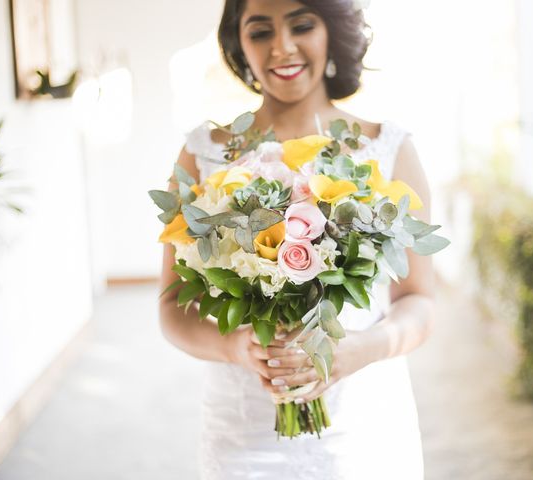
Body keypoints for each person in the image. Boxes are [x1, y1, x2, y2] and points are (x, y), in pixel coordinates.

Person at [159, 0, 435, 478]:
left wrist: (356, 350)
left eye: (301, 24)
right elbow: (171, 309)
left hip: (365, 429)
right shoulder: (204, 153)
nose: (282, 47)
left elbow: (420, 300)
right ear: (239, 44)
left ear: (331, 32)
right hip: (243, 433)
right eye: (260, 31)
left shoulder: (386, 147)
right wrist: (238, 349)